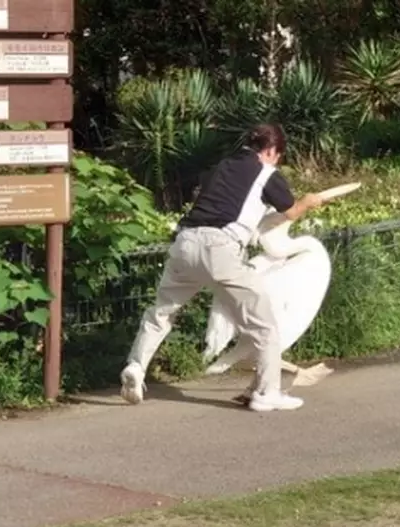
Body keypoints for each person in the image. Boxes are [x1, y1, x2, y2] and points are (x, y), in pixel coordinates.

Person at [119, 123, 324, 412]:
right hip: (220, 248)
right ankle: (267, 393)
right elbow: (289, 211)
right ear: (271, 151)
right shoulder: (267, 174)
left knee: (162, 312)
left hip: (184, 242)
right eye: (279, 155)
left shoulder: (222, 166)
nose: (277, 161)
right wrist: (309, 201)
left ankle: (136, 367)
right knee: (263, 322)